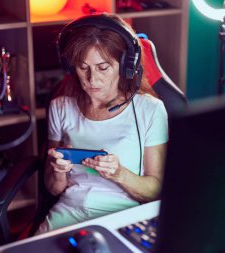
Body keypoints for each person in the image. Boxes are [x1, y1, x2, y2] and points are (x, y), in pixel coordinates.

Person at [35, 13, 168, 234]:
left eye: (103, 67)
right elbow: (53, 188)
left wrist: (119, 174)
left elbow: (155, 190)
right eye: (82, 67)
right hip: (69, 213)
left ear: (126, 65)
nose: (92, 79)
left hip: (122, 217)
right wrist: (58, 172)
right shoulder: (60, 107)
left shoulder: (150, 110)